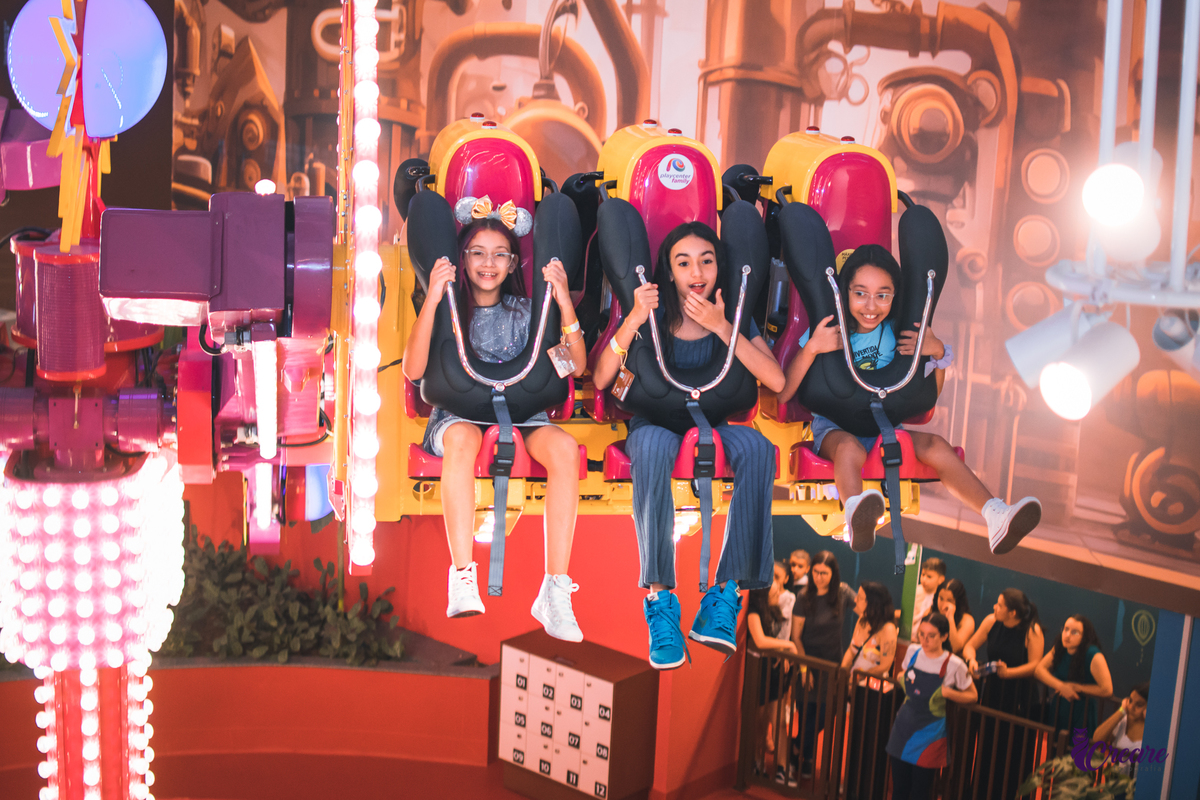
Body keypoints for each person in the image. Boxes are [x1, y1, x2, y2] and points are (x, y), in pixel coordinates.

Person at [592, 221, 786, 669]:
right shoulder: (649, 312)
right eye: (684, 262)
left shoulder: (732, 314)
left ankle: (725, 593)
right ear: (669, 269)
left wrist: (722, 327)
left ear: (720, 267)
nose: (696, 271)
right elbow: (603, 377)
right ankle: (661, 603)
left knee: (758, 451)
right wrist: (634, 319)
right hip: (655, 422)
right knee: (654, 449)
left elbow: (775, 380)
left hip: (715, 420)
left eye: (706, 260)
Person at [776, 244, 1041, 555]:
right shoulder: (828, 330)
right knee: (848, 447)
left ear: (895, 296)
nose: (870, 305)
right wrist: (811, 348)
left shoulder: (899, 333)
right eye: (860, 293)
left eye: (882, 295)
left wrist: (937, 352)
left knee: (937, 446)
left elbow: (928, 396)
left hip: (887, 427)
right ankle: (854, 513)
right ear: (844, 293)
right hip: (835, 428)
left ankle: (996, 515)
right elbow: (784, 393)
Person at [402, 213, 588, 640]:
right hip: (459, 414)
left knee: (564, 450)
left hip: (523, 414)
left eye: (500, 255)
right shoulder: (450, 311)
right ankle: (463, 574)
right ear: (463, 260)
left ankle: (555, 589)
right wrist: (432, 298)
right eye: (479, 253)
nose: (489, 263)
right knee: (464, 439)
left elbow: (574, 364)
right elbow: (414, 371)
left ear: (512, 263)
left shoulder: (526, 313)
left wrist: (562, 302)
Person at [962, 589, 1045, 800]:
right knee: (987, 747)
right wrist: (972, 661)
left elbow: (1037, 665)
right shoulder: (991, 622)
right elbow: (970, 646)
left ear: (1013, 613)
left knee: (1015, 752)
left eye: (999, 605)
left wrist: (1010, 673)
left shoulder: (1031, 631)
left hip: (1020, 698)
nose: (994, 608)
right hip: (994, 692)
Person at [886, 613, 978, 800]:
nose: (925, 640)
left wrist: (948, 693)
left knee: (920, 791)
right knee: (899, 788)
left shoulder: (954, 664)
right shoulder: (913, 651)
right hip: (903, 727)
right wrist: (901, 678)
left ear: (944, 637)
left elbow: (973, 695)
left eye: (931, 635)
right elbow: (903, 673)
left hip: (929, 734)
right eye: (921, 634)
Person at [791, 551, 856, 777]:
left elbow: (866, 611)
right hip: (806, 662)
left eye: (824, 573)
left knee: (825, 714)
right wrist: (804, 668)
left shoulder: (843, 592)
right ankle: (805, 760)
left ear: (833, 573)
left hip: (833, 666)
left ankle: (795, 747)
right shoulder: (803, 597)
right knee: (806, 713)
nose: (819, 577)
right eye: (816, 572)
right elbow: (796, 636)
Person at [841, 582, 899, 800]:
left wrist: (858, 678)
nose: (856, 600)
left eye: (862, 597)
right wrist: (843, 670)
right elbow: (852, 649)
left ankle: (868, 791)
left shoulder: (888, 629)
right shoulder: (862, 620)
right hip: (855, 688)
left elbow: (885, 665)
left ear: (873, 602)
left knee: (870, 743)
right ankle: (851, 788)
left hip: (874, 693)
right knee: (854, 738)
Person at [747, 567, 800, 781]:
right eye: (775, 591)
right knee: (758, 722)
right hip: (759, 673)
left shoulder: (773, 612)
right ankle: (756, 762)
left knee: (774, 721)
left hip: (774, 673)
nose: (779, 594)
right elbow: (760, 640)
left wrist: (782, 649)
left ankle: (772, 767)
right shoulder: (753, 612)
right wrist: (786, 646)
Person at [1035, 614, 1113, 737]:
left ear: (1085, 636)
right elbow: (1039, 670)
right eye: (1066, 629)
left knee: (1077, 753)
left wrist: (1078, 688)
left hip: (1082, 712)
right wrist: (1061, 686)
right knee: (1054, 749)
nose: (1067, 635)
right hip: (1059, 709)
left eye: (1074, 632)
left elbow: (1107, 689)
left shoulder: (1093, 655)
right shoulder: (1060, 647)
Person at [1093, 683, 1149, 777]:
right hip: (1116, 782)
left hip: (1138, 786)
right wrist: (1122, 710)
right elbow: (1097, 739)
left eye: (1139, 705)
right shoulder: (1124, 720)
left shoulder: (1155, 731)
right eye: (1130, 701)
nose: (1131, 707)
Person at [934, 578, 975, 655]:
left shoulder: (967, 620)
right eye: (941, 598)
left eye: (949, 600)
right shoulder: (931, 611)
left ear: (958, 602)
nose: (943, 604)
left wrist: (950, 618)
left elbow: (954, 648)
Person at [909, 558, 945, 641]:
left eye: (929, 577)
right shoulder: (916, 590)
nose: (924, 579)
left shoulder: (940, 597)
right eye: (923, 574)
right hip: (910, 634)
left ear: (941, 579)